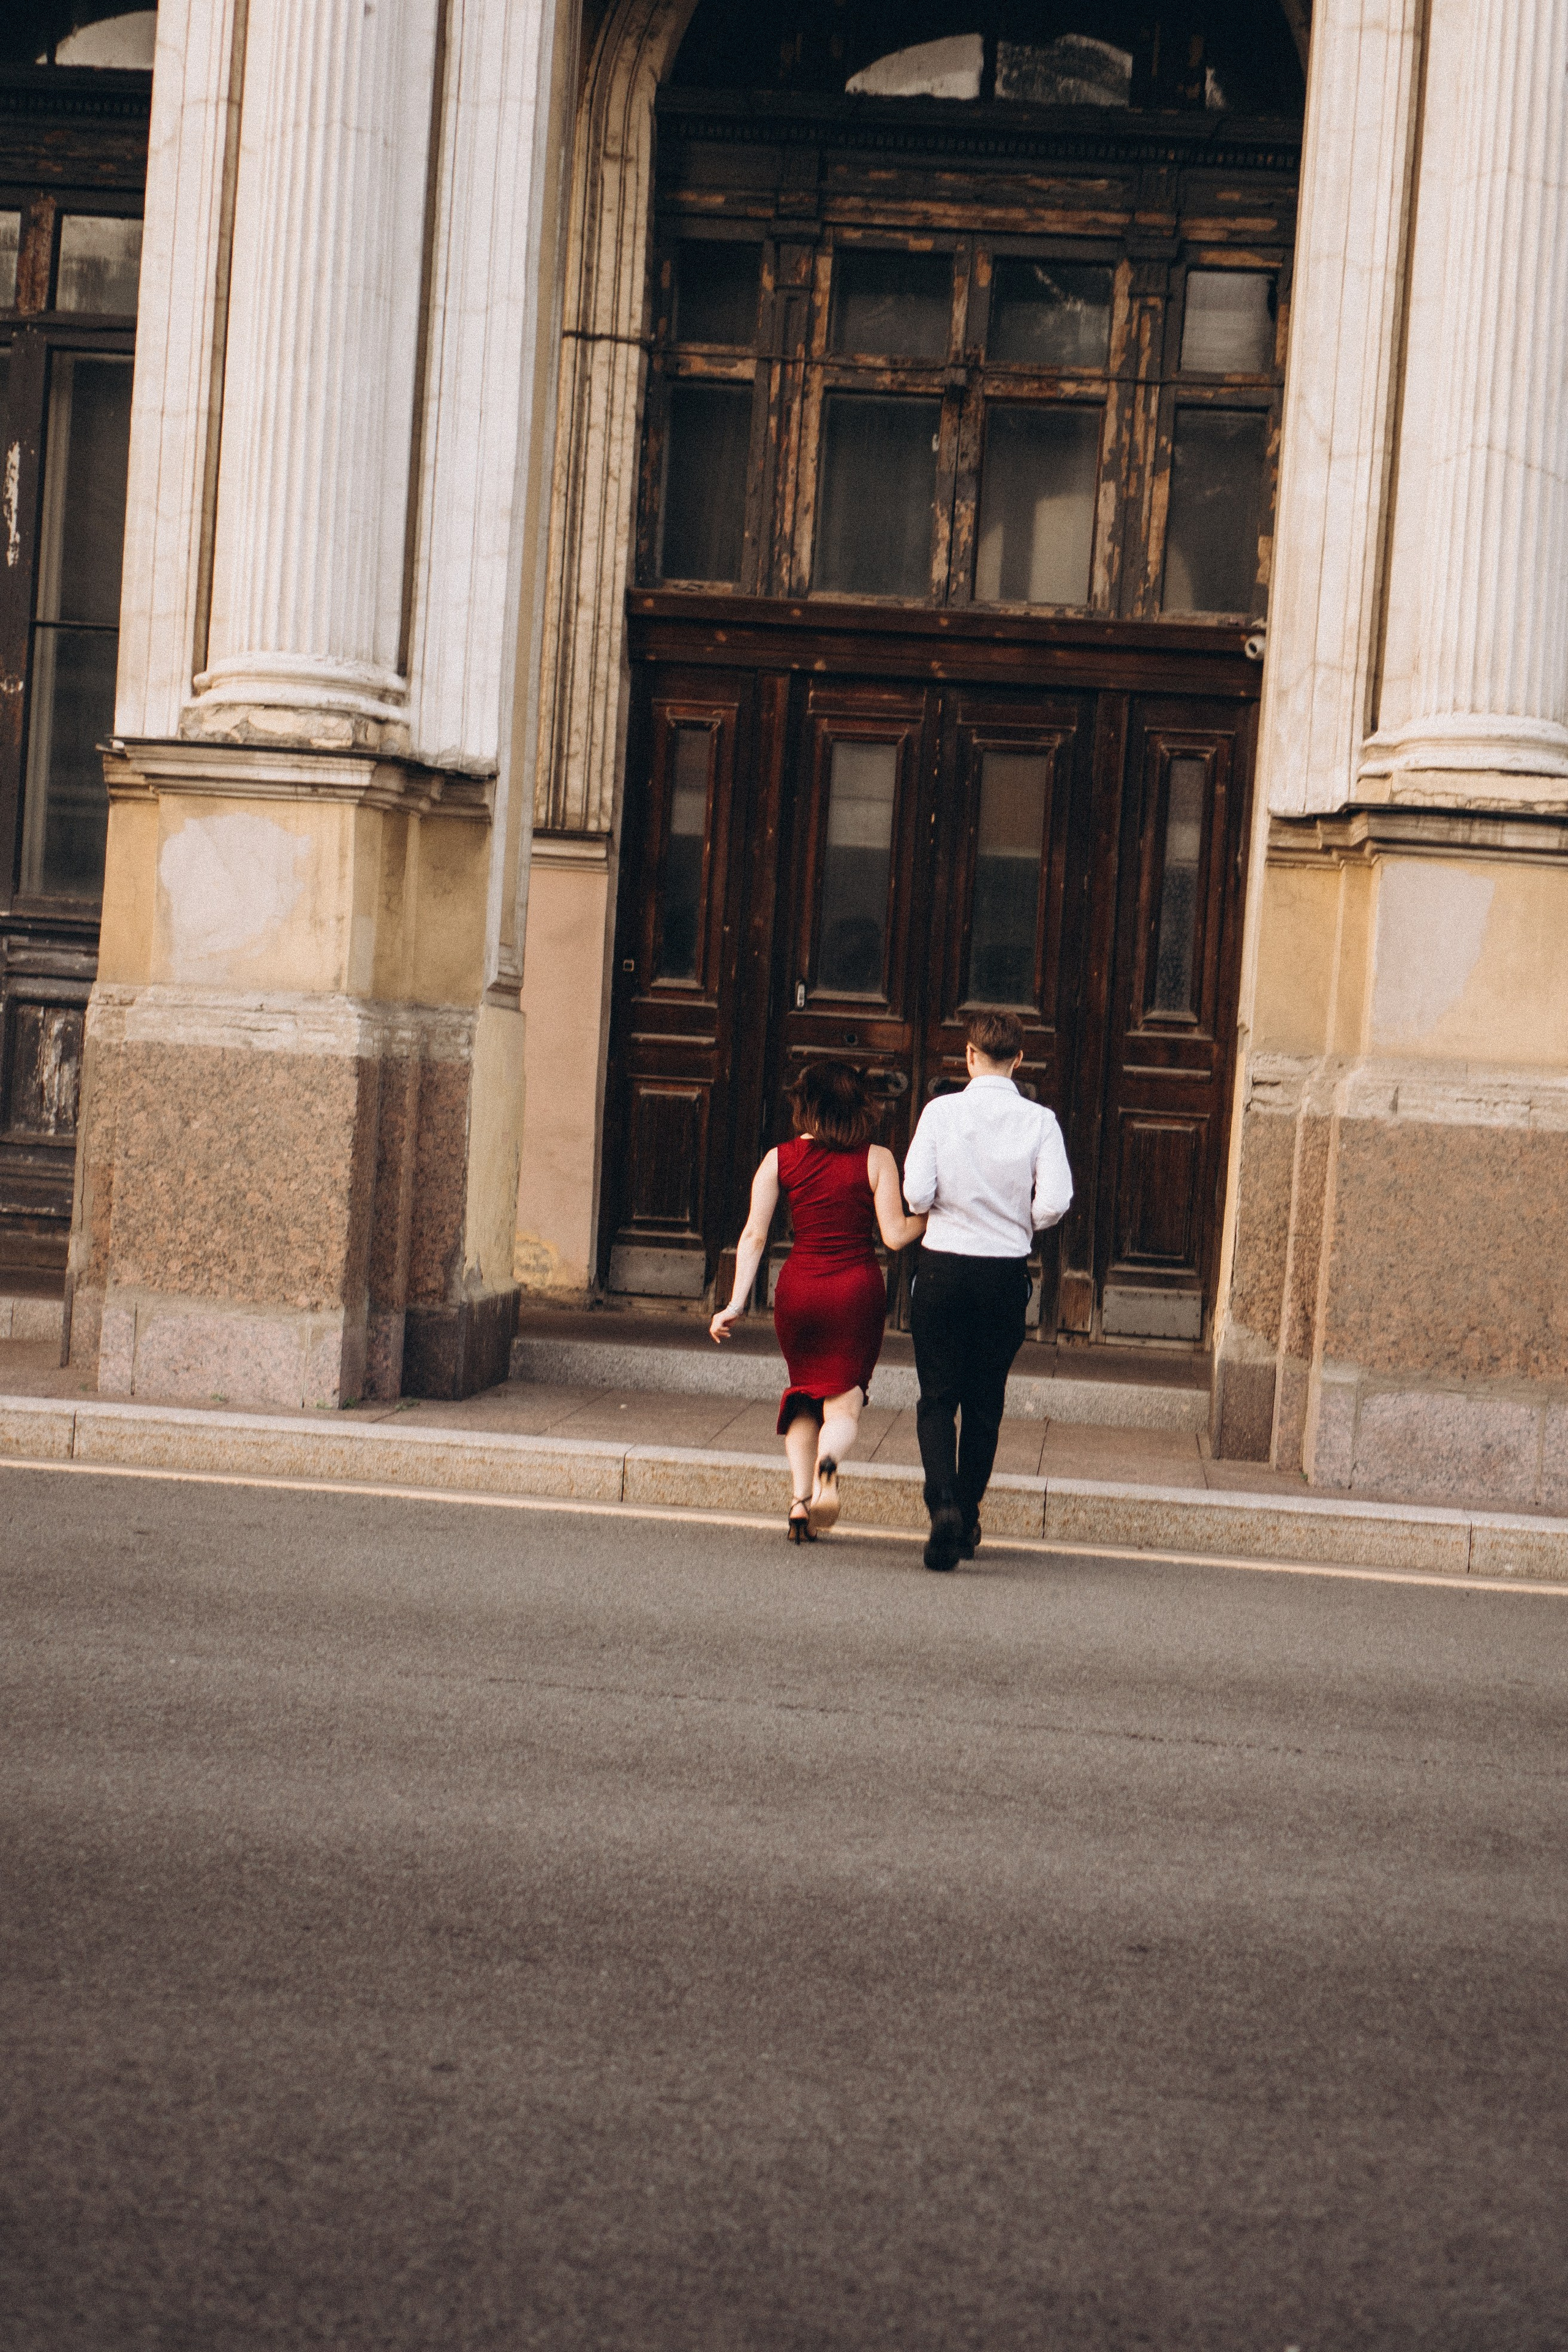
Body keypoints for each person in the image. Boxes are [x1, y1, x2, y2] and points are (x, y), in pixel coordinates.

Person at [710, 1060, 927, 1542]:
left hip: (800, 1290)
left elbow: (752, 1236)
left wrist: (734, 1303)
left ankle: (798, 1503)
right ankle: (829, 1465)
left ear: (805, 1104)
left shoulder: (779, 1158)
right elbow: (894, 1237)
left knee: (804, 1397)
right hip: (854, 1290)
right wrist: (933, 1217)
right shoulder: (877, 1159)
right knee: (843, 1403)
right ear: (859, 1105)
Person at [902, 1010, 1074, 1573]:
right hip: (1003, 1272)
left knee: (937, 1398)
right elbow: (1053, 1202)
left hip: (945, 1267)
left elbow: (917, 1193)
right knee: (985, 1403)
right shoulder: (1040, 1122)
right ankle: (969, 1513)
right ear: (1019, 1059)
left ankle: (943, 1505)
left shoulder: (939, 1112)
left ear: (969, 1055)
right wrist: (1015, 1220)